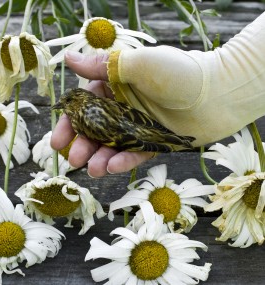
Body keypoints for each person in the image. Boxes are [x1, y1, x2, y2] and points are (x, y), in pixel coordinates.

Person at [51, 12, 265, 178]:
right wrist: (231, 72)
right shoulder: (93, 107)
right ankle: (168, 136)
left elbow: (124, 131)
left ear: (80, 99)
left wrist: (222, 74)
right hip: (143, 122)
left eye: (67, 101)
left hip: (138, 132)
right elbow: (129, 116)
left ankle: (169, 137)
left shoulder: (83, 123)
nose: (63, 105)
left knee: (144, 143)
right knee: (155, 135)